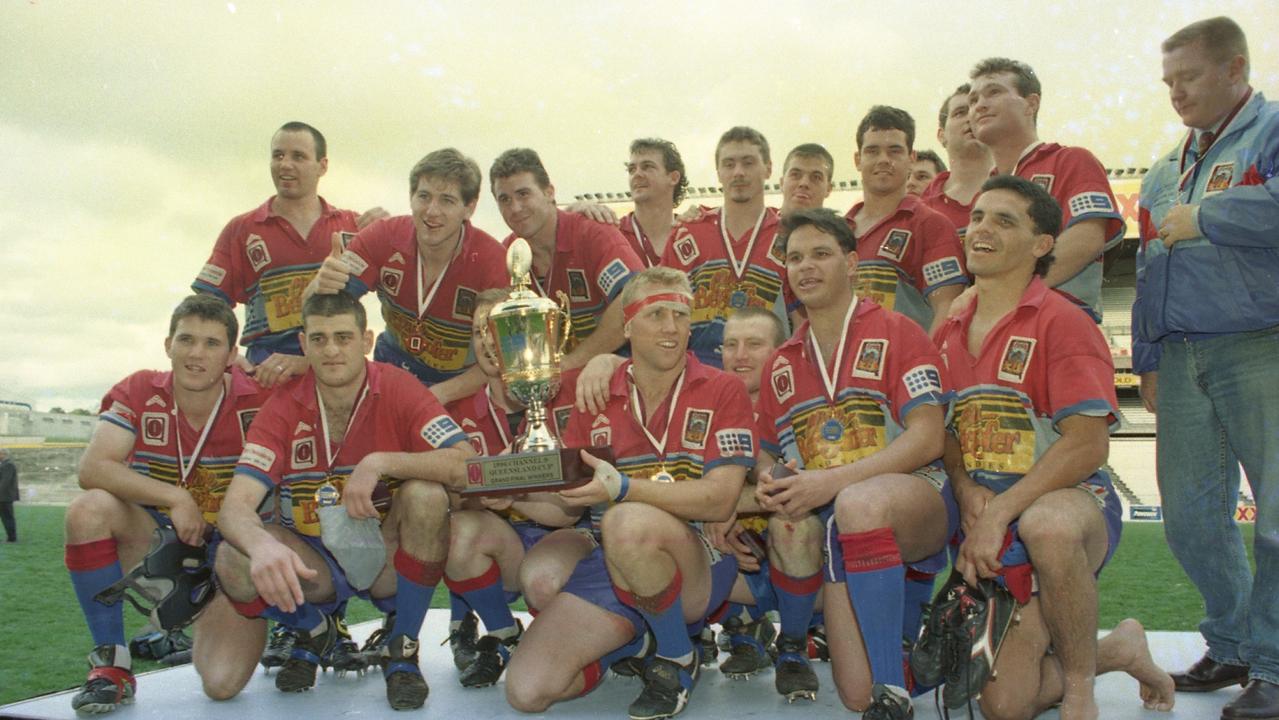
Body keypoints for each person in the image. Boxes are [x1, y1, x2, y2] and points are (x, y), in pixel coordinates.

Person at [936, 175, 1174, 720]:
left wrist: (1001, 510)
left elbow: (1087, 446)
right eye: (976, 217)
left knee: (1049, 523)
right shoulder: (949, 330)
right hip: (990, 530)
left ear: (1043, 244)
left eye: (1004, 220)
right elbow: (948, 433)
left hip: (1064, 506)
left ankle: (1079, 689)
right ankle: (1120, 648)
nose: (982, 229)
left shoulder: (1064, 322)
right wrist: (966, 485)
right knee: (1005, 706)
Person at [510, 267, 756, 720]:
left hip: (698, 556)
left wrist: (623, 488)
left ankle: (678, 656)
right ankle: (638, 640)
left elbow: (722, 500)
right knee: (527, 692)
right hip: (615, 561)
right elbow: (570, 508)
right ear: (627, 326)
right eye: (657, 313)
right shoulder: (597, 394)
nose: (671, 327)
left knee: (625, 518)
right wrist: (511, 498)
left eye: (681, 315)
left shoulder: (723, 388)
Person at [213, 291, 474, 711]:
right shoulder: (283, 405)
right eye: (318, 339)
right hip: (314, 562)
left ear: (366, 340)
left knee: (426, 494)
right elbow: (234, 507)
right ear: (303, 344)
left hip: (384, 556)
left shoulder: (399, 388)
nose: (331, 350)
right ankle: (316, 630)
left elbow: (466, 463)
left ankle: (402, 648)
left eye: (343, 337)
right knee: (232, 556)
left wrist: (381, 462)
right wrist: (260, 546)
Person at [753, 208, 955, 715]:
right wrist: (767, 477)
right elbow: (766, 448)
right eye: (795, 257)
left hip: (914, 498)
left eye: (821, 253)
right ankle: (928, 647)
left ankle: (895, 693)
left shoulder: (899, 331)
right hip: (838, 528)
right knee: (852, 693)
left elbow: (929, 437)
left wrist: (830, 484)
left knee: (858, 502)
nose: (806, 266)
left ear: (851, 262)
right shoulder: (782, 362)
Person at [1135, 16, 1279, 719]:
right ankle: (1231, 642)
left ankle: (1276, 671)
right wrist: (1147, 355)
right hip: (1181, 350)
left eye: (1186, 77)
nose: (1175, 93)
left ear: (1233, 68)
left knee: (1276, 518)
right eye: (1167, 81)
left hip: (1261, 345)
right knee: (1190, 519)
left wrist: (1210, 215)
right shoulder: (1164, 165)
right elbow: (1144, 263)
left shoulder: (1271, 130)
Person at [63, 295, 272, 712]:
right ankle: (111, 664)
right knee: (89, 509)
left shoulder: (260, 399)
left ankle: (294, 628)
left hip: (230, 560)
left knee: (221, 684)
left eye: (212, 344)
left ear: (233, 354)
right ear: (167, 345)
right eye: (186, 340)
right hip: (162, 548)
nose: (196, 354)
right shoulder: (141, 389)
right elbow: (93, 468)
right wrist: (174, 496)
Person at [441, 288, 586, 687]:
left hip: (567, 538)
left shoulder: (571, 395)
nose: (487, 343)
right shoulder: (454, 414)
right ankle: (504, 634)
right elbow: (449, 498)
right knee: (457, 530)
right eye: (477, 333)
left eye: (496, 330)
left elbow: (572, 506)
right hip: (503, 543)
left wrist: (513, 488)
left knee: (544, 584)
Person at [304, 148, 509, 405]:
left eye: (447, 200)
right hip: (390, 375)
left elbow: (503, 354)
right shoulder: (381, 236)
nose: (432, 211)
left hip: (460, 387)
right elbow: (319, 313)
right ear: (411, 197)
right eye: (424, 196)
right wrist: (318, 285)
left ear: (469, 207)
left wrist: (433, 397)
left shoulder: (492, 261)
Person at [192, 121, 382, 388]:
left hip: (337, 374)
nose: (285, 165)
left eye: (299, 157)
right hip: (267, 374)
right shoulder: (242, 229)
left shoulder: (354, 226)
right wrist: (224, 357)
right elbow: (205, 306)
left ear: (322, 166)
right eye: (278, 155)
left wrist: (391, 231)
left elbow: (403, 289)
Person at [968, 59, 1124, 322]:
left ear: (1031, 103)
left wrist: (1006, 291)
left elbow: (1088, 237)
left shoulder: (1071, 160)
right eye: (973, 100)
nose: (979, 105)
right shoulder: (982, 195)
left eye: (994, 92)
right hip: (997, 324)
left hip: (1059, 323)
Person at [489, 148, 643, 367]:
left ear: (549, 192)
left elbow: (636, 297)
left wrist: (571, 364)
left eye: (523, 194)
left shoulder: (591, 233)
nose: (515, 208)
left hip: (613, 374)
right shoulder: (508, 255)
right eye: (504, 199)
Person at [663, 126, 799, 368]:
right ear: (718, 172)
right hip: (698, 376)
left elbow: (801, 321)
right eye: (729, 164)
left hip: (766, 376)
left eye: (748, 163)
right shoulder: (688, 233)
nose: (738, 172)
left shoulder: (790, 237)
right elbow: (663, 311)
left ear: (768, 168)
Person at [844, 106, 967, 335]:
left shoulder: (931, 225)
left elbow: (947, 308)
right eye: (872, 151)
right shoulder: (838, 230)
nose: (883, 160)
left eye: (894, 151)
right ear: (858, 159)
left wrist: (923, 365)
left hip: (902, 366)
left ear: (911, 158)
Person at [920, 83, 995, 240]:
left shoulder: (1021, 193)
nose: (971, 118)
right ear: (941, 135)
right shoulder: (921, 210)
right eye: (960, 113)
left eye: (978, 111)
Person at [619, 138, 690, 267]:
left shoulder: (690, 234)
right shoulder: (615, 235)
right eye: (632, 169)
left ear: (673, 178)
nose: (637, 174)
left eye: (647, 167)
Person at [779, 143, 836, 218]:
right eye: (795, 175)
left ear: (828, 189)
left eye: (816, 177)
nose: (804, 183)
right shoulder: (760, 226)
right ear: (782, 183)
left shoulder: (838, 229)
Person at [0, 448, 17, 542]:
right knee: (7, 517)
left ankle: (11, 538)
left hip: (4, 497)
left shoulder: (8, 465)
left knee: (7, 517)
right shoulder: (4, 465)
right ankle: (11, 537)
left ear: (3, 454)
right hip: (3, 496)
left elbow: (5, 482)